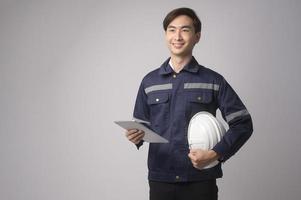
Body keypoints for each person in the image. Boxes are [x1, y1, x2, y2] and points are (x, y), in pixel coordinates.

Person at [125, 7, 253, 200]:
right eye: (171, 29)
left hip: (200, 181)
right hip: (161, 181)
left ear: (197, 36)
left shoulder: (213, 80)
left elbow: (242, 124)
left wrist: (215, 154)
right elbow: (142, 127)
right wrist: (136, 136)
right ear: (165, 34)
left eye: (185, 30)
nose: (177, 36)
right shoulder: (149, 82)